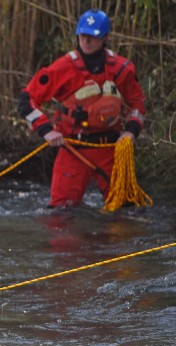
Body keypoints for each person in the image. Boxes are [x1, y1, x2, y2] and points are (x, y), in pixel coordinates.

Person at [18, 8, 145, 208]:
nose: (86, 41)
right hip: (72, 149)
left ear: (105, 38)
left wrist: (130, 132)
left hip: (110, 149)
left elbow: (137, 103)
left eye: (92, 37)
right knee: (60, 214)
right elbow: (27, 100)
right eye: (83, 35)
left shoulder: (121, 68)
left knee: (126, 212)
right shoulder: (63, 68)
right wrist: (46, 130)